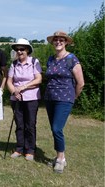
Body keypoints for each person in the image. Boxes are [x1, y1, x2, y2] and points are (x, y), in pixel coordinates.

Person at [45, 31, 84, 173]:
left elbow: (80, 83)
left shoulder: (72, 59)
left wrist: (73, 97)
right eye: (56, 40)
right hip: (50, 98)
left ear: (66, 42)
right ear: (52, 42)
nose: (58, 42)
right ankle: (59, 156)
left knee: (57, 128)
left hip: (65, 99)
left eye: (61, 40)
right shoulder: (51, 59)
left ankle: (61, 159)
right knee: (54, 129)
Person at [7, 38, 42, 161]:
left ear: (27, 50)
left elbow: (39, 79)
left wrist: (23, 87)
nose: (20, 51)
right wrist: (14, 91)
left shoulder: (34, 62)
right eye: (17, 49)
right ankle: (19, 148)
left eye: (22, 49)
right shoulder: (14, 64)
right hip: (16, 99)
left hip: (32, 98)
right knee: (19, 124)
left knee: (30, 124)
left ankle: (30, 150)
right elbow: (9, 81)